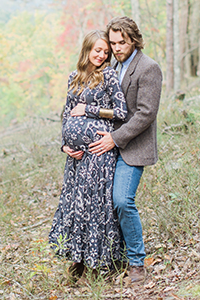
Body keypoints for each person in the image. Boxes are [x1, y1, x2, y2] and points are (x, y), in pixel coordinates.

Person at [48, 29, 128, 281]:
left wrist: (89, 109)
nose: (102, 55)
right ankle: (78, 260)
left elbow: (121, 112)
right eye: (98, 50)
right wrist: (65, 145)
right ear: (87, 50)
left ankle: (99, 263)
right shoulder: (74, 77)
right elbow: (66, 113)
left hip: (98, 153)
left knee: (95, 206)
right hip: (76, 158)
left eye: (106, 52)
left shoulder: (109, 76)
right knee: (76, 205)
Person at [89, 16, 163, 284]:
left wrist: (115, 138)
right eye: (113, 43)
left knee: (122, 200)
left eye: (122, 42)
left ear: (134, 40)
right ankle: (111, 257)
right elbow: (114, 107)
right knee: (104, 203)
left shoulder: (148, 68)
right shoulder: (112, 66)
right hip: (107, 147)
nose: (117, 47)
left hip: (133, 147)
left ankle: (136, 263)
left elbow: (146, 114)